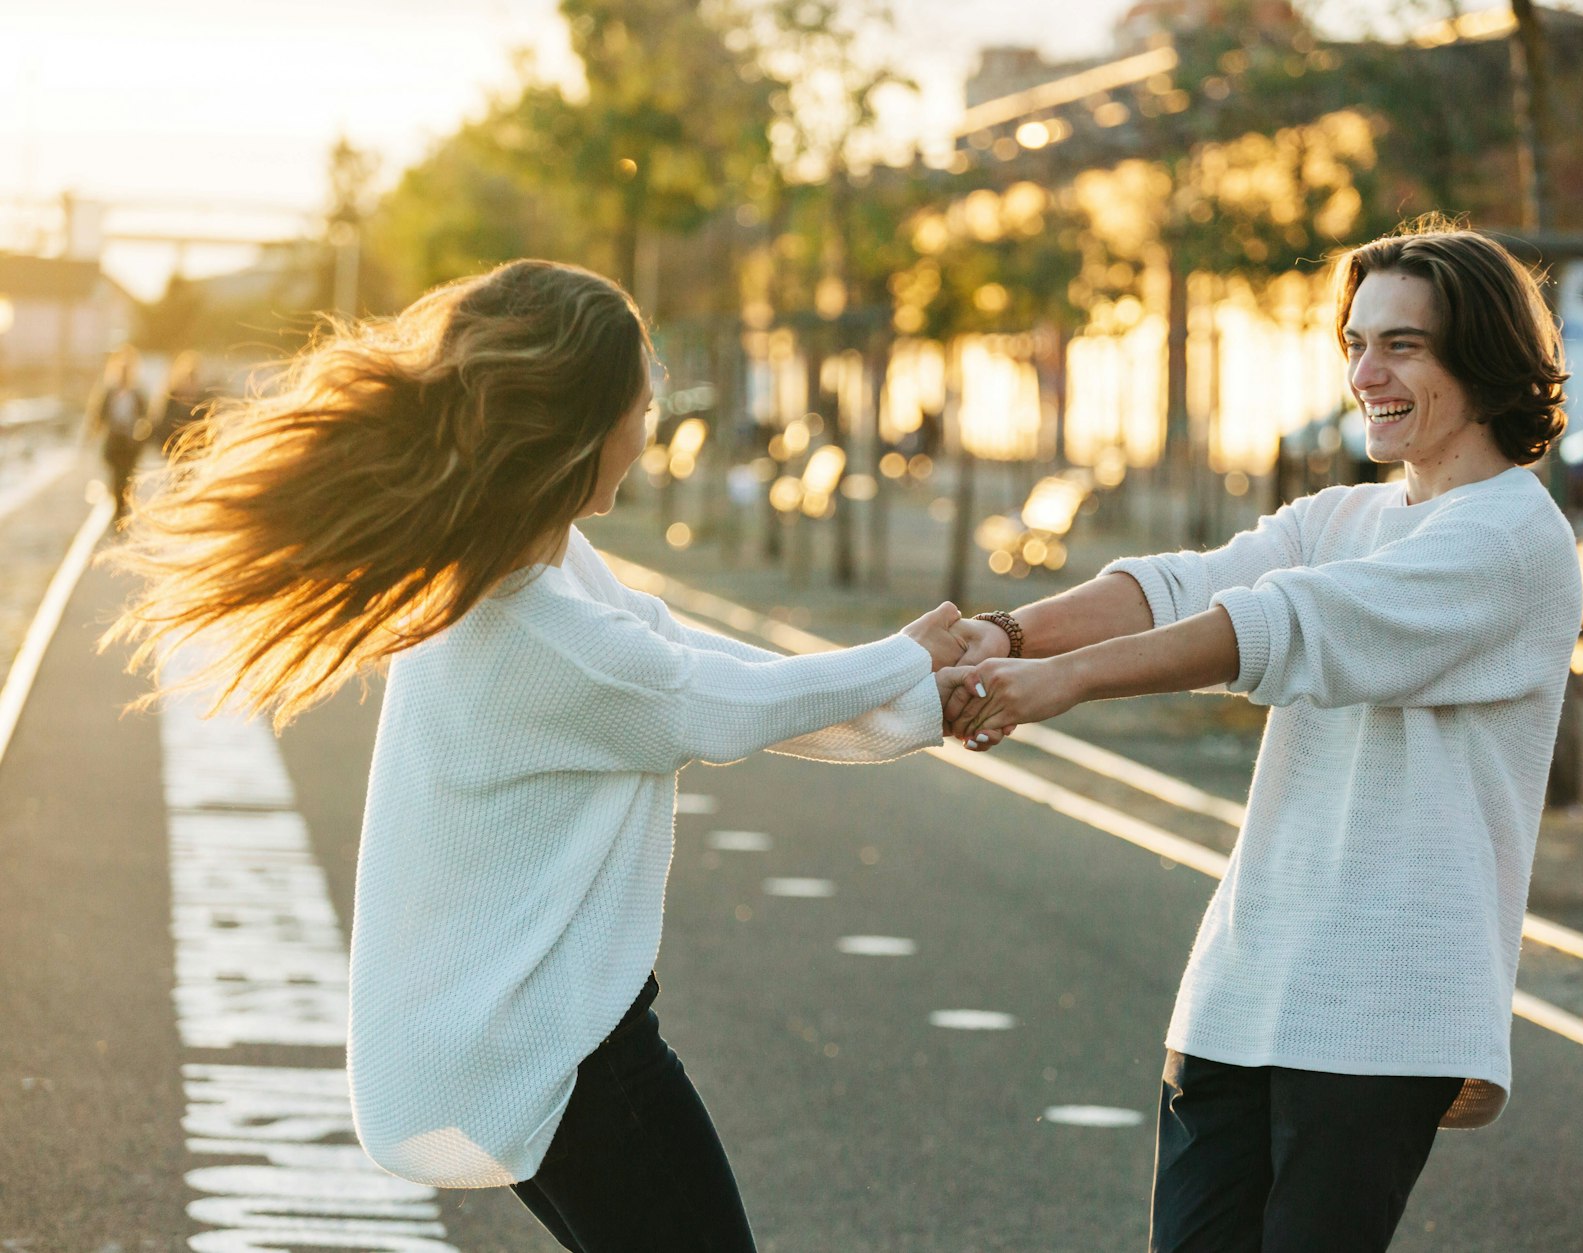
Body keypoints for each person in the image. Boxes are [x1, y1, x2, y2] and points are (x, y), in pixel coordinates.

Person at [103, 259, 1005, 1252]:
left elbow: (732, 678)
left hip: (556, 1035)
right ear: (587, 424)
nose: (655, 415)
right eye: (644, 397)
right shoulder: (538, 630)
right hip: (558, 1052)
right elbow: (707, 703)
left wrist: (940, 698)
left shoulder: (550, 573)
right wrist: (908, 658)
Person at [940, 222, 1583, 1252]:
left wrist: (1056, 681)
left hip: (1378, 1002)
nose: (1363, 372)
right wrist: (1008, 631)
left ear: (1486, 358)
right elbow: (1182, 585)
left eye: (1402, 345)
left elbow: (1283, 625)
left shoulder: (1508, 538)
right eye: (1354, 341)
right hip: (1244, 984)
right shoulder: (1345, 515)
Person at [84, 344, 150, 518]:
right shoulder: (109, 392)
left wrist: (141, 434)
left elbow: (147, 418)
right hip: (114, 442)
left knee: (126, 476)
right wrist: (92, 434)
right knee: (116, 477)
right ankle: (117, 509)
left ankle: (123, 507)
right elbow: (99, 415)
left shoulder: (138, 394)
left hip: (130, 444)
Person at [147, 349, 209, 456]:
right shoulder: (168, 401)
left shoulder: (203, 405)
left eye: (193, 378)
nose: (190, 383)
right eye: (187, 378)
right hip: (169, 457)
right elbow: (158, 430)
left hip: (195, 459)